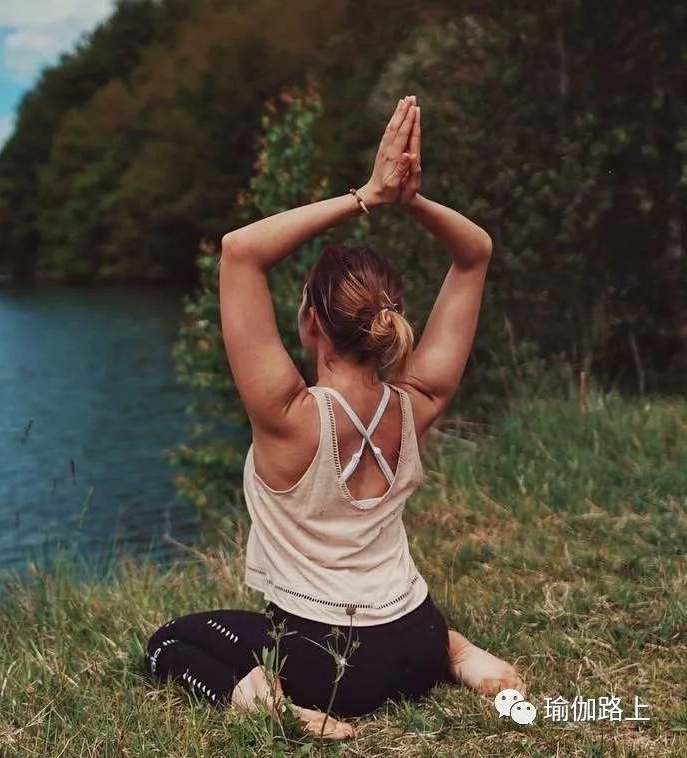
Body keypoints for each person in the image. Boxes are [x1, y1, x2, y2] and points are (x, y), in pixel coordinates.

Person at [144, 96, 524, 738]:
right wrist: (414, 201)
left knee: (171, 643)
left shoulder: (288, 417)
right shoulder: (417, 402)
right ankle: (459, 656)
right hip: (416, 635)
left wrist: (369, 195)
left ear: (312, 320)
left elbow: (239, 252)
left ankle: (284, 711)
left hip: (331, 666)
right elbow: (475, 253)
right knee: (421, 639)